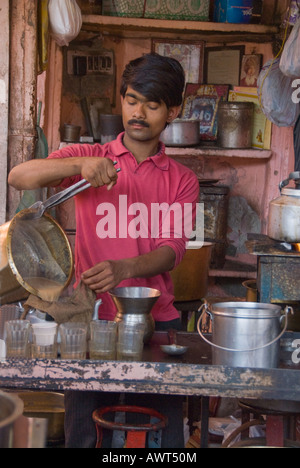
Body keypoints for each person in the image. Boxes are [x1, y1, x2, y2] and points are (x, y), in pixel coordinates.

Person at [8, 53, 199, 448]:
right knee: (86, 433)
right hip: (89, 319)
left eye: (152, 104)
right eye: (131, 100)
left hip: (155, 322)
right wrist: (80, 164)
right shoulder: (91, 160)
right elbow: (18, 177)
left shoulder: (182, 179)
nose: (138, 112)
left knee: (160, 435)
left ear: (172, 111)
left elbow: (173, 250)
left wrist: (125, 267)